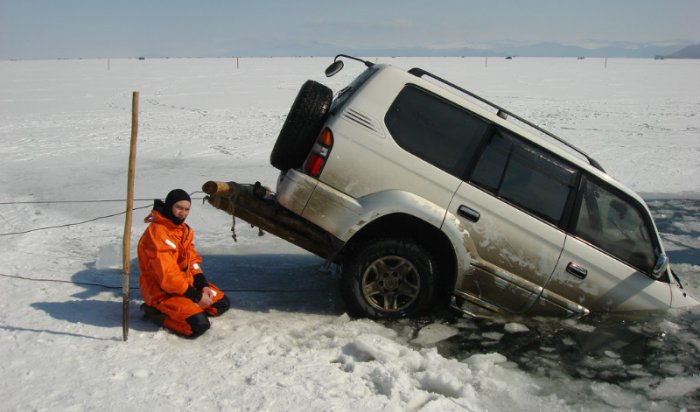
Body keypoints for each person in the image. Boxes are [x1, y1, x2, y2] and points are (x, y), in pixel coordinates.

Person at [137, 189, 230, 338]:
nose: (183, 213)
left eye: (187, 210)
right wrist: (196, 297)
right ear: (169, 206)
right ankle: (154, 311)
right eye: (179, 208)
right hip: (162, 292)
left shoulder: (183, 231)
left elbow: (192, 260)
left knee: (221, 303)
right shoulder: (157, 234)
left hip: (184, 285)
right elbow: (168, 277)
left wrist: (202, 284)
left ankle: (189, 307)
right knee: (198, 326)